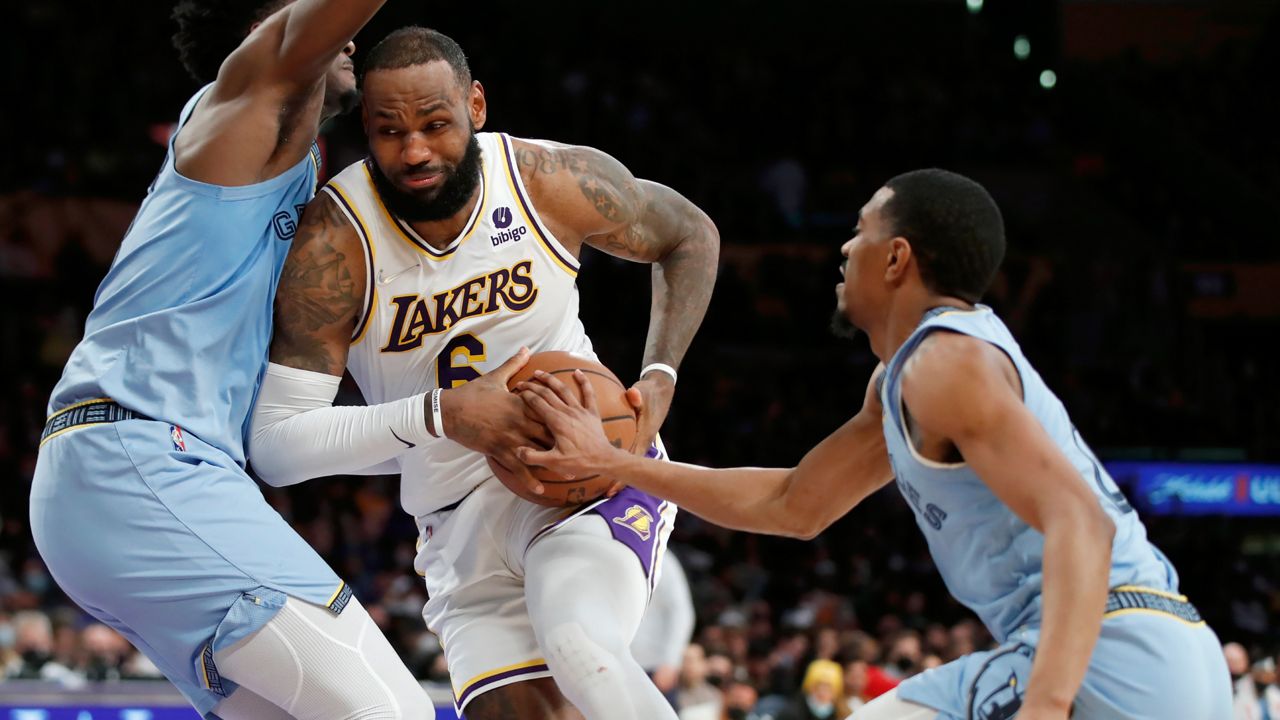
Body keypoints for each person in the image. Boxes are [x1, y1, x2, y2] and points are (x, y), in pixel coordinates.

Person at [514, 168, 1234, 719]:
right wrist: (618, 465)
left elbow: (1083, 522)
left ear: (895, 259)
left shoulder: (945, 364)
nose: (844, 247)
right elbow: (793, 504)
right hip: (1157, 654)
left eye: (859, 231)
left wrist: (1044, 706)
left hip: (1111, 656)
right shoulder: (908, 377)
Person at [247, 26, 719, 720]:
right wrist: (441, 414)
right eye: (388, 131)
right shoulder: (334, 242)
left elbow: (689, 235)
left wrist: (659, 375)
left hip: (580, 472)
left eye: (435, 125)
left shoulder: (547, 180)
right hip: (453, 518)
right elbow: (277, 447)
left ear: (475, 105)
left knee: (580, 646)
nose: (414, 151)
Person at [29, 2, 433, 718]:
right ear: (267, 31)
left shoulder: (290, 170)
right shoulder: (242, 102)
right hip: (140, 459)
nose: (353, 38)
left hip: (134, 474)